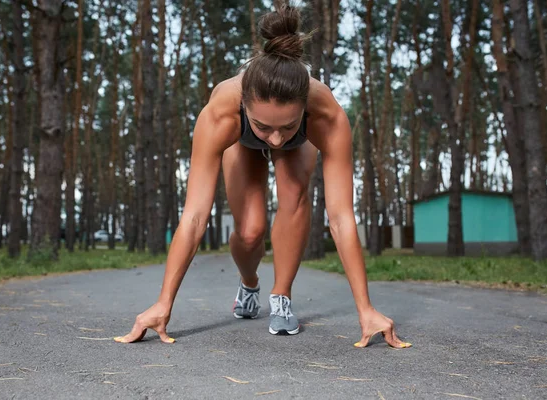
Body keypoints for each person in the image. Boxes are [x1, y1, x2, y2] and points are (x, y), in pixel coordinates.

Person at [114, 5, 411, 349]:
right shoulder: (222, 112)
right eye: (263, 126)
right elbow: (194, 217)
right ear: (245, 107)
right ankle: (249, 281)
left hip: (299, 144)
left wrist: (366, 308)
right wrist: (163, 303)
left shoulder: (326, 115)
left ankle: (281, 296)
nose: (274, 139)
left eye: (287, 125)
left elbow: (341, 216)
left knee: (296, 195)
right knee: (251, 230)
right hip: (240, 142)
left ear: (304, 109)